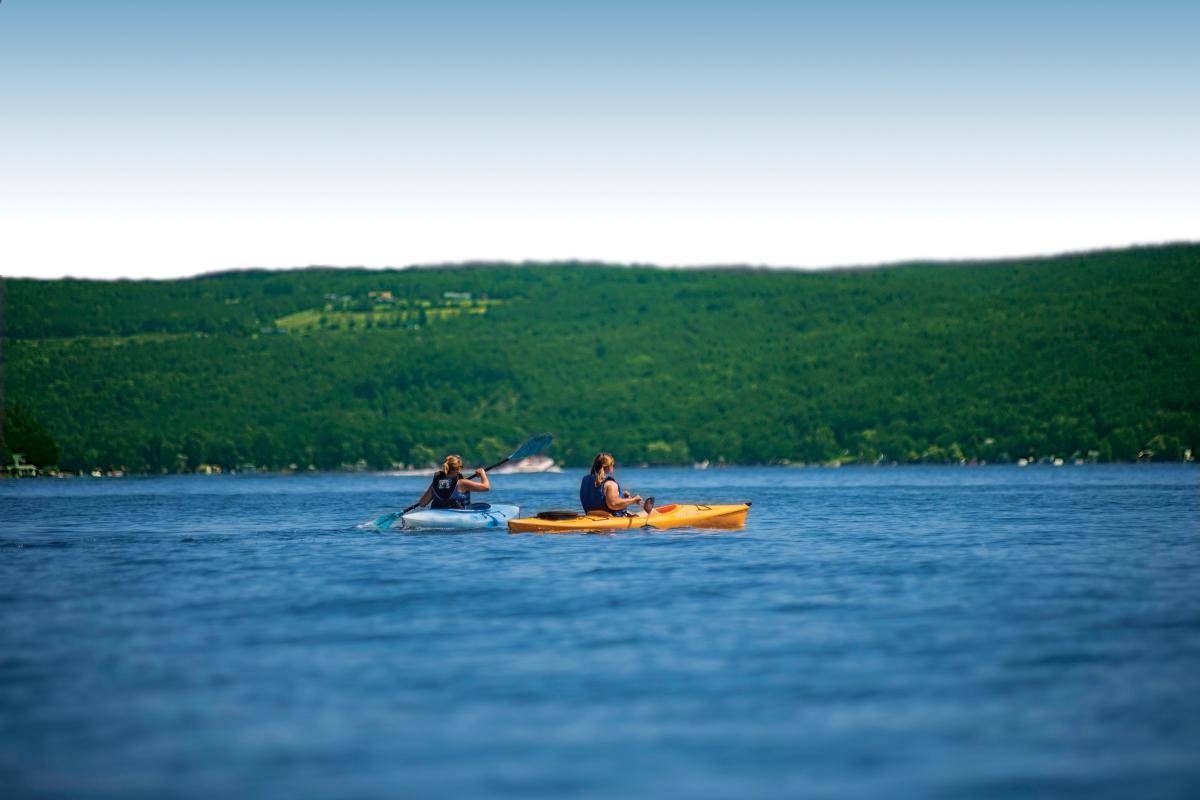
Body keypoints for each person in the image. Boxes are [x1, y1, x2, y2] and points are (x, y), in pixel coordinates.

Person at [579, 453, 652, 516]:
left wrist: (621, 496)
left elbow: (597, 496)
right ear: (609, 467)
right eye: (613, 465)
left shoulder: (585, 480)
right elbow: (613, 504)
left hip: (591, 516)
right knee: (653, 512)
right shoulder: (610, 484)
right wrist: (633, 500)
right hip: (610, 523)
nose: (613, 467)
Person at [416, 454, 490, 509]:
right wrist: (482, 473)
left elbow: (422, 503)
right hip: (459, 515)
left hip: (438, 514)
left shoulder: (436, 483)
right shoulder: (462, 483)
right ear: (459, 468)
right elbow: (486, 487)